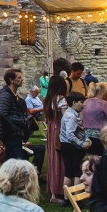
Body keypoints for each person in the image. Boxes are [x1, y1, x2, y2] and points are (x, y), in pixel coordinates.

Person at [44, 73, 68, 204]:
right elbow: (65, 118)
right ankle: (60, 190)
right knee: (60, 160)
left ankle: (53, 191)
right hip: (59, 131)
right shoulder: (61, 99)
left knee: (52, 159)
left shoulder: (48, 99)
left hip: (51, 131)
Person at [60, 92, 92, 190]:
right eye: (81, 102)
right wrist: (81, 144)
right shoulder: (72, 116)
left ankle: (67, 199)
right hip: (72, 146)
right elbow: (70, 135)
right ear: (74, 102)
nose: (83, 105)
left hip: (66, 145)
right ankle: (76, 198)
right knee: (77, 172)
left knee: (69, 172)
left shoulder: (68, 113)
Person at [82, 83, 107, 155]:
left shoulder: (86, 102)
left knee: (88, 159)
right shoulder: (104, 104)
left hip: (86, 135)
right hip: (100, 136)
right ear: (103, 92)